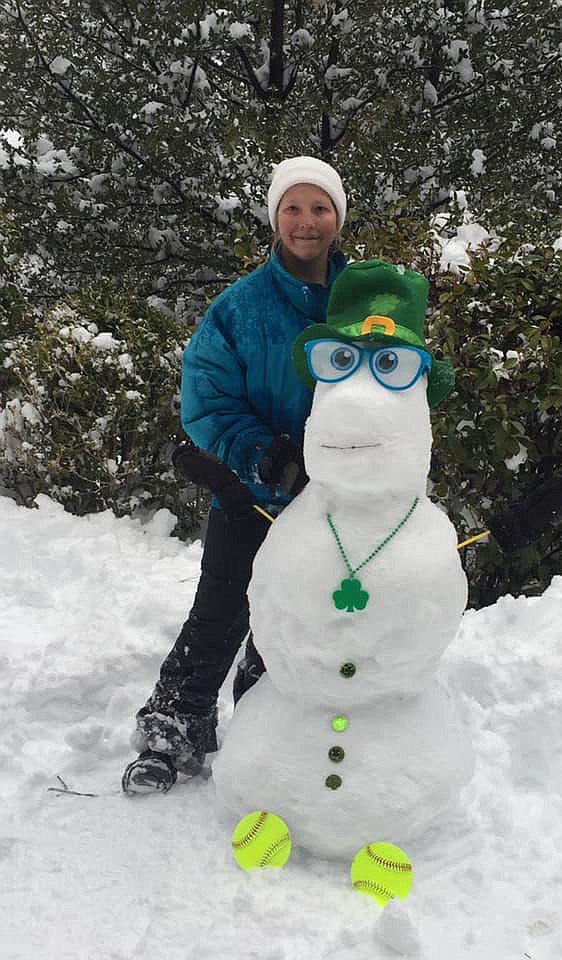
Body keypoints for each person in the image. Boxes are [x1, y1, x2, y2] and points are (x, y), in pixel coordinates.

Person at [122, 157, 348, 795]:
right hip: (254, 493)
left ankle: (268, 726)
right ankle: (175, 729)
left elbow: (398, 384)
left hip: (337, 505)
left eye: (320, 208)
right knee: (222, 609)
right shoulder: (239, 309)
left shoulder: (368, 302)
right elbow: (208, 401)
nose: (307, 222)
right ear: (275, 218)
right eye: (293, 209)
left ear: (338, 218)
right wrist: (262, 455)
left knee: (308, 619)